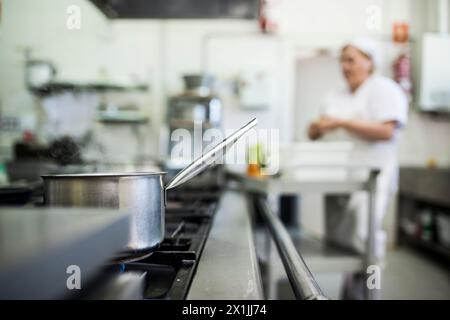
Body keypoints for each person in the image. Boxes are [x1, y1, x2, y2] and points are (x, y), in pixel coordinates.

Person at [308, 37, 408, 299]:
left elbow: (387, 131)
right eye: (342, 60)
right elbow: (314, 131)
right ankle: (350, 295)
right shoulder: (336, 94)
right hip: (341, 177)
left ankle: (370, 295)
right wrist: (318, 127)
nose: (345, 66)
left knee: (366, 240)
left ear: (369, 62)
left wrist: (341, 122)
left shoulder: (385, 90)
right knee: (345, 244)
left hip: (374, 177)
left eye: (351, 59)